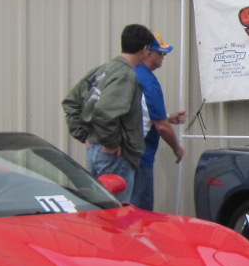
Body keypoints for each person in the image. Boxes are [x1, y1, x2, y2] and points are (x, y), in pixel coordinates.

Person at [62, 23, 158, 203]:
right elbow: (105, 112)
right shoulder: (126, 75)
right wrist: (111, 142)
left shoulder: (102, 70)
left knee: (98, 208)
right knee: (115, 212)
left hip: (95, 151)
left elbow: (71, 102)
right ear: (145, 49)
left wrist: (85, 135)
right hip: (114, 158)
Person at [131, 32, 188, 211]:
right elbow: (162, 127)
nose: (163, 57)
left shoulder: (129, 75)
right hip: (141, 156)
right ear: (148, 53)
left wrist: (167, 117)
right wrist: (177, 149)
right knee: (140, 212)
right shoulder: (149, 82)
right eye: (161, 53)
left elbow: (138, 113)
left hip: (124, 155)